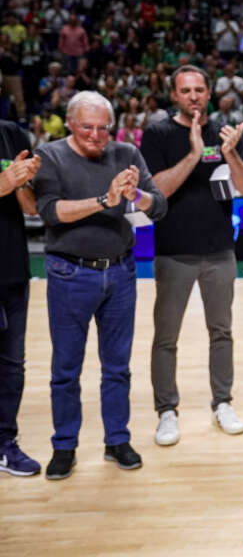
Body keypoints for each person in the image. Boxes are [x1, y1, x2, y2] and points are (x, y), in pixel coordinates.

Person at [32, 91, 167, 479]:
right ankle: (64, 445)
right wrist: (105, 199)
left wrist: (136, 195)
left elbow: (158, 206)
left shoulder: (126, 153)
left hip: (121, 271)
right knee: (65, 369)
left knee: (118, 367)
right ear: (70, 123)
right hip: (69, 273)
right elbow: (50, 211)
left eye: (103, 128)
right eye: (87, 127)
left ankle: (117, 440)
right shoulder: (51, 155)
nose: (96, 135)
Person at [140, 65, 243, 446]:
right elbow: (156, 190)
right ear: (174, 95)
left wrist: (230, 153)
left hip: (220, 251)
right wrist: (193, 154)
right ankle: (166, 410)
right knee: (166, 337)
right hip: (173, 253)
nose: (193, 96)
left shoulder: (226, 133)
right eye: (185, 90)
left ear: (209, 93)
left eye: (199, 89)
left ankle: (223, 403)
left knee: (221, 332)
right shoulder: (157, 134)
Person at [0, 118, 41, 476]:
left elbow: (30, 207)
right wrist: (4, 182)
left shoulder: (12, 133)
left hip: (12, 265)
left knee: (12, 364)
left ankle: (4, 443)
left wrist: (23, 182)